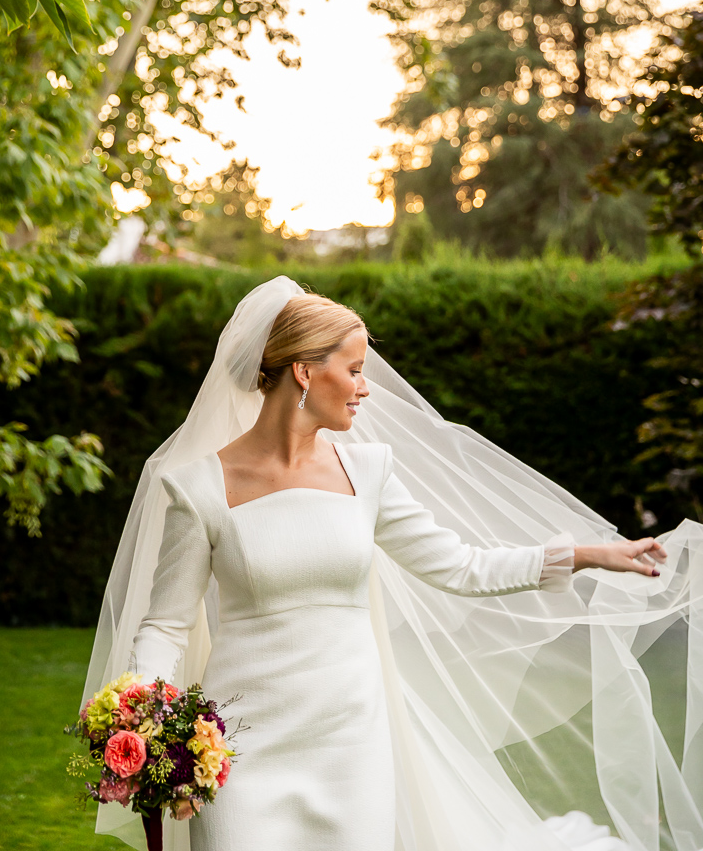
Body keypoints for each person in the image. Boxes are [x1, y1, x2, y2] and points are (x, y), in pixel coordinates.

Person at [84, 277, 703, 851]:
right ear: (304, 372)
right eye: (354, 370)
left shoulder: (368, 471)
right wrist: (145, 716)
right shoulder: (198, 486)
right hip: (241, 749)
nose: (365, 387)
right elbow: (164, 625)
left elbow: (460, 567)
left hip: (351, 745)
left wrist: (588, 554)